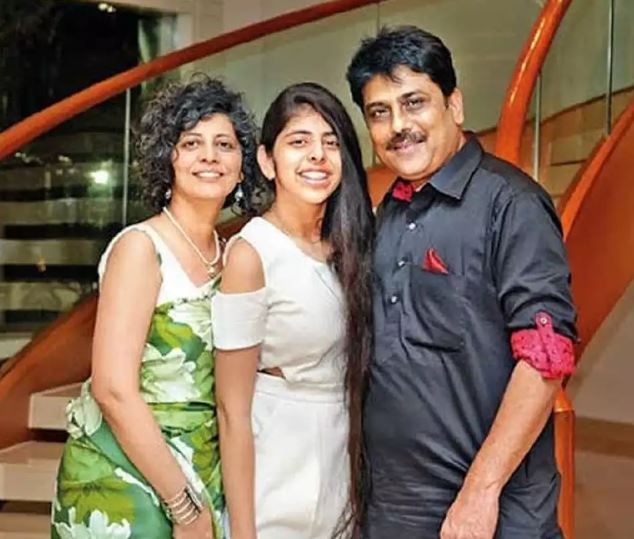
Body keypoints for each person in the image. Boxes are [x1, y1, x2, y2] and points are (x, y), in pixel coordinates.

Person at [346, 26, 577, 539]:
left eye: (414, 103)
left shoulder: (510, 204)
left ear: (454, 105)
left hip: (486, 516)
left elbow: (546, 358)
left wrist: (480, 492)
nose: (398, 126)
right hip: (392, 512)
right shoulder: (389, 212)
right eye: (379, 112)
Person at [51, 75, 260, 539]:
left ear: (243, 166)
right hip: (123, 479)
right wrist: (184, 507)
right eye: (191, 143)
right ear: (167, 158)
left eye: (224, 144)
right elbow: (112, 389)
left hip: (202, 467)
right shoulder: (141, 248)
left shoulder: (233, 256)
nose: (210, 156)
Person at [211, 82, 374, 539]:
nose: (317, 155)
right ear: (267, 161)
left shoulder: (353, 245)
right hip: (274, 473)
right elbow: (231, 409)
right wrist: (244, 532)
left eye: (331, 142)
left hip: (341, 472)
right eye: (299, 141)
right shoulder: (252, 254)